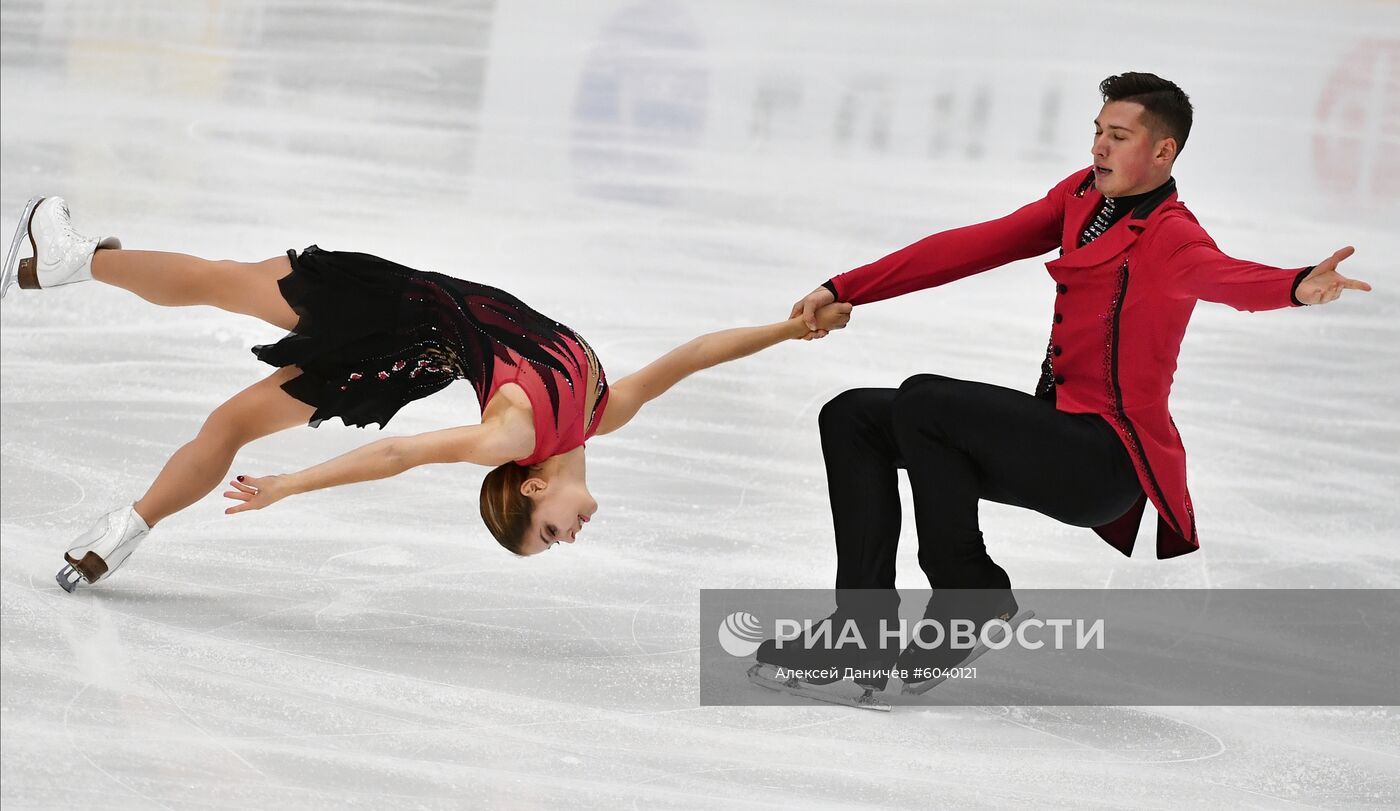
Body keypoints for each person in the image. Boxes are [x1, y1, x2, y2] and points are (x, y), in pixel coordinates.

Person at [776, 72, 1371, 681]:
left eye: (1118, 136)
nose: (1098, 148)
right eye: (1096, 132)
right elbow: (971, 246)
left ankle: (969, 595)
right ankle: (863, 629)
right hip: (1052, 432)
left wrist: (1295, 285)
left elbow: (1223, 276)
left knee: (926, 401)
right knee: (852, 417)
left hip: (1103, 459)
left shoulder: (1170, 237)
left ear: (1163, 151)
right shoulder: (1083, 198)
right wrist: (846, 287)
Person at [1, 197, 852, 592]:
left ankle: (75, 257)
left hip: (405, 310)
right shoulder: (602, 411)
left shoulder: (511, 434)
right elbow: (697, 354)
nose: (575, 533)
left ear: (532, 486)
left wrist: (293, 485)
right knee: (231, 421)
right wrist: (788, 330)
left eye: (551, 533)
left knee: (228, 284)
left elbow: (399, 454)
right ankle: (125, 532)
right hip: (419, 358)